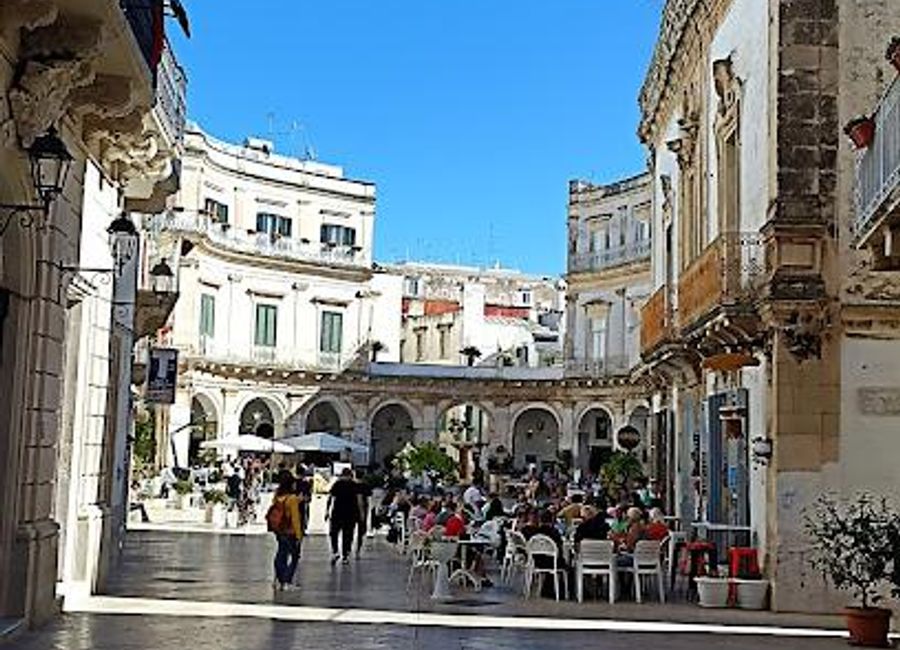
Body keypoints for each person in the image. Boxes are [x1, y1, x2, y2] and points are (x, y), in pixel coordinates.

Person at [269, 475, 303, 591]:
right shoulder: (292, 499)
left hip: (280, 530)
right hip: (290, 531)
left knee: (281, 554)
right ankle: (286, 581)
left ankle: (278, 580)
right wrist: (299, 535)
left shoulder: (277, 496)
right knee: (295, 557)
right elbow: (295, 518)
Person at [327, 468, 359, 565]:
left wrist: (327, 511)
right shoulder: (354, 485)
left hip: (337, 512)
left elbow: (331, 497)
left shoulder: (337, 484)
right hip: (350, 513)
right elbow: (359, 500)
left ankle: (335, 551)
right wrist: (360, 514)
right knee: (348, 535)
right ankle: (345, 555)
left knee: (334, 533)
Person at [354, 471, 372, 559]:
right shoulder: (365, 486)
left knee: (350, 529)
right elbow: (368, 499)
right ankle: (357, 550)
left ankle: (348, 549)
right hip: (363, 509)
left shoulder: (353, 485)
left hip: (352, 509)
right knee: (360, 531)